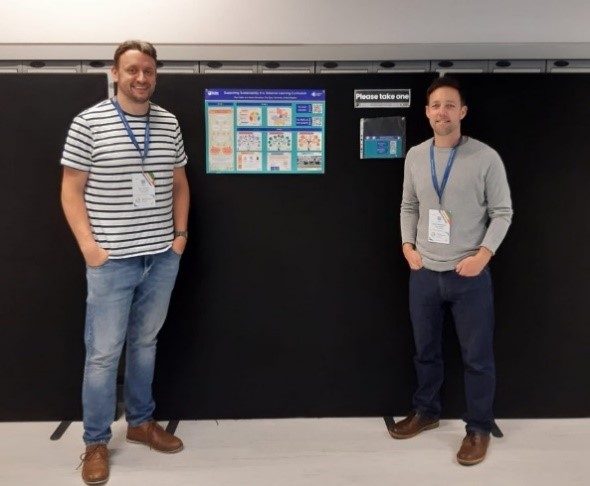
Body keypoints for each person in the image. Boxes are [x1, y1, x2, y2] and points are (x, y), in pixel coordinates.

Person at [60, 40, 190, 485]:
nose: (141, 78)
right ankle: (95, 441)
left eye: (148, 71)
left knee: (145, 344)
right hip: (112, 262)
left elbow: (179, 184)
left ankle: (140, 422)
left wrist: (178, 237)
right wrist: (90, 248)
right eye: (132, 70)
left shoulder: (168, 122)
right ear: (115, 73)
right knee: (101, 355)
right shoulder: (88, 123)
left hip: (161, 257)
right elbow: (70, 191)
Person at [390, 76, 512, 466]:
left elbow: (503, 212)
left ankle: (478, 427)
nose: (442, 112)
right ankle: (426, 412)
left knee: (477, 357)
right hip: (423, 271)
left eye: (449, 105)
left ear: (462, 112)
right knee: (425, 351)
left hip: (469, 274)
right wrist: (407, 246)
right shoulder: (414, 155)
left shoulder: (485, 157)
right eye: (435, 105)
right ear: (426, 113)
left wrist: (484, 255)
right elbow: (409, 205)